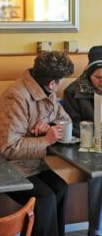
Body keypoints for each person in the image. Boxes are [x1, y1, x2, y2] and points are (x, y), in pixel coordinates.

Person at [0, 51, 74, 236]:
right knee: (44, 198)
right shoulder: (16, 97)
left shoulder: (45, 91)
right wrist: (45, 140)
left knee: (61, 189)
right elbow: (9, 148)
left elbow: (65, 120)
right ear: (52, 83)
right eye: (60, 81)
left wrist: (50, 126)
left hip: (29, 161)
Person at [64, 45, 102, 236]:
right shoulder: (73, 91)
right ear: (89, 73)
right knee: (99, 174)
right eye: (99, 77)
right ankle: (95, 229)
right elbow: (73, 126)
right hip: (85, 146)